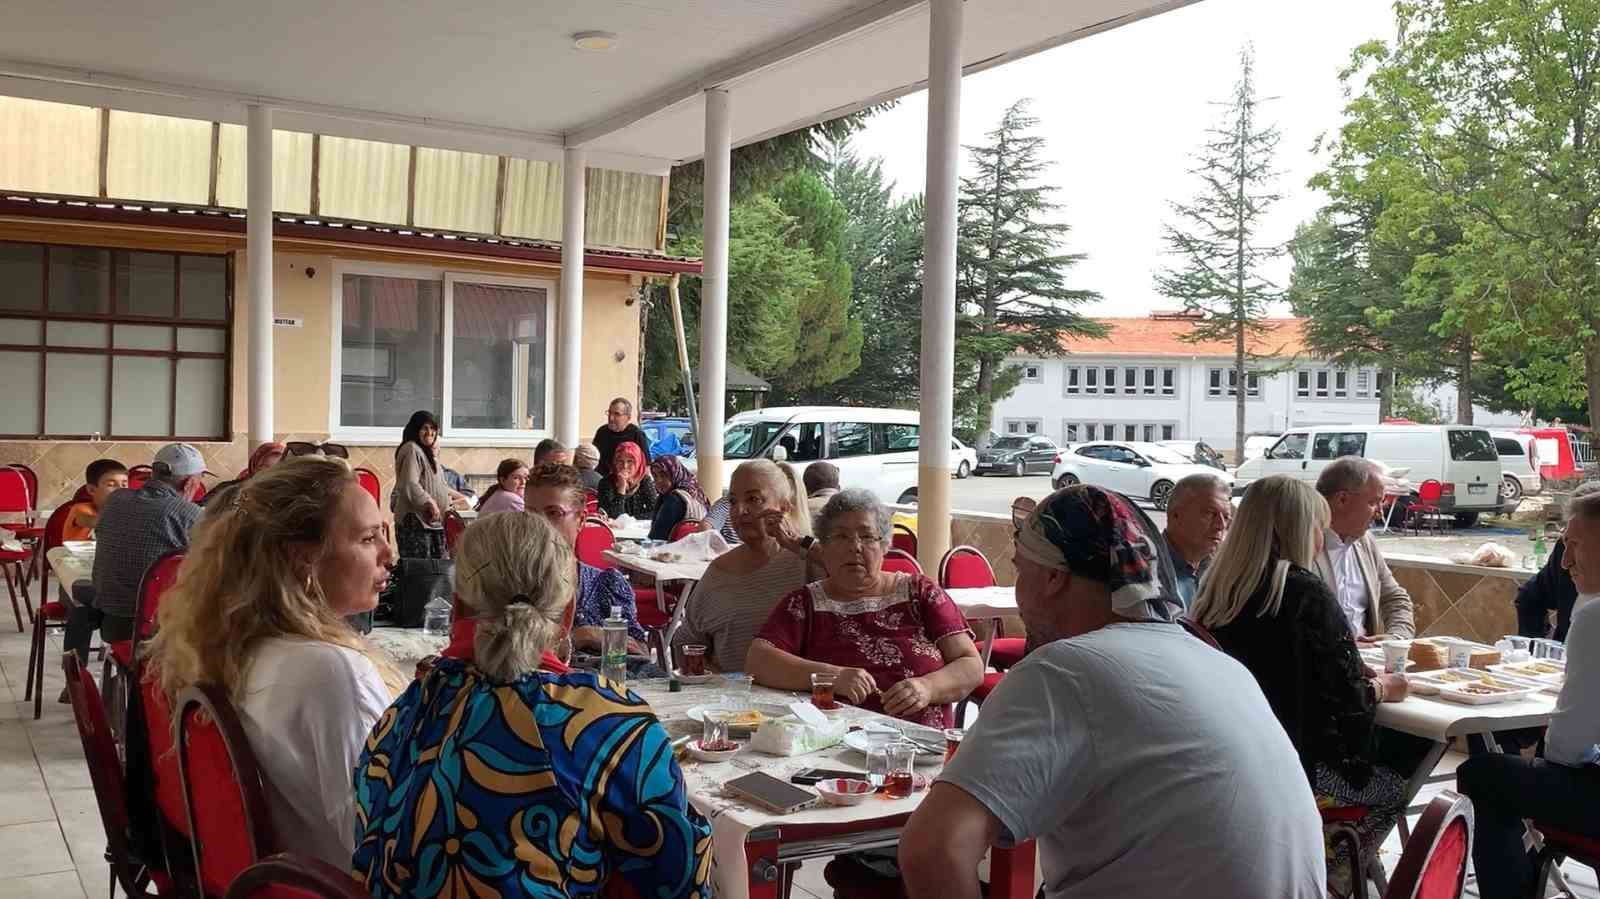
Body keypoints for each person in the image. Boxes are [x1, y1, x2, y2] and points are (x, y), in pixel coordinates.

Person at [898, 485, 1325, 899]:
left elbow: (934, 850)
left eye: (1020, 568)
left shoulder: (1063, 669)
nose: (1019, 590)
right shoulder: (1221, 664)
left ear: (1051, 577)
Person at [352, 511, 712, 898]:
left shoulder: (408, 710)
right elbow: (682, 879)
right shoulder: (605, 722)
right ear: (569, 611)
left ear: (457, 605)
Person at [145, 456, 400, 869]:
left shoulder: (233, 645)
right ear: (304, 558)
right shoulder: (331, 672)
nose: (389, 554)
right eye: (369, 538)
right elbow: (378, 845)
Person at [1192, 475, 1410, 899]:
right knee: (1394, 786)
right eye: (1316, 527)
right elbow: (1349, 705)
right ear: (1296, 528)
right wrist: (1385, 687)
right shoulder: (1303, 592)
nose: (1319, 538)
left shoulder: (1218, 591)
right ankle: (1334, 877)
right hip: (1298, 774)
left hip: (1230, 764)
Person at [1458, 489, 1600, 899]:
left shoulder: (1594, 615)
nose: (1566, 562)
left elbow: (1570, 743)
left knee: (1484, 774)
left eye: (1575, 547)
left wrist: (1545, 772)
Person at [746, 488, 982, 728]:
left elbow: (971, 665)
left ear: (885, 546)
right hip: (835, 744)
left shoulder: (920, 593)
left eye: (867, 536)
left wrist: (927, 687)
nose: (855, 547)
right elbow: (758, 660)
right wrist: (832, 677)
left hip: (922, 745)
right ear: (823, 547)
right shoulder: (805, 604)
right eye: (841, 536)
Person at [67, 444, 205, 670]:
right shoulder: (190, 514)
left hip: (112, 620)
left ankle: (73, 672)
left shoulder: (116, 500)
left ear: (154, 473)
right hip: (157, 627)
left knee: (79, 593)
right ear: (190, 483)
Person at [674, 460, 812, 672]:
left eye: (753, 499)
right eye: (733, 501)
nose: (740, 510)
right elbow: (687, 642)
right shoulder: (718, 571)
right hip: (729, 698)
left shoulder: (808, 564)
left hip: (801, 697)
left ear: (784, 507)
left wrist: (799, 544)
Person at [523, 463, 648, 654]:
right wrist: (580, 636)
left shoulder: (606, 586)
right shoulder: (510, 585)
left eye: (553, 513)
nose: (540, 524)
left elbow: (640, 653)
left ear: (581, 520)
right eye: (531, 514)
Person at [1311, 456, 1415, 641]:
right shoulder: (1301, 543)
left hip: (1368, 660)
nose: (1380, 514)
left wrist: (1396, 637)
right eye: (1373, 502)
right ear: (1342, 499)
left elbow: (1395, 598)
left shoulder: (1365, 542)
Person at [392, 410, 460, 559]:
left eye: (433, 428)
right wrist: (428, 501)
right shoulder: (412, 449)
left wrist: (448, 506)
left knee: (433, 575)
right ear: (415, 429)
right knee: (421, 574)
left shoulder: (426, 453)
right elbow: (410, 484)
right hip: (416, 525)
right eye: (424, 428)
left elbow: (438, 486)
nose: (430, 432)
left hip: (432, 524)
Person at [1161, 472, 1232, 608]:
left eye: (1226, 517)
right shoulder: (1145, 569)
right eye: (1210, 513)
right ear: (1175, 515)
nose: (1221, 525)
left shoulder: (1222, 567)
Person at [201, 441, 285, 510]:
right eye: (264, 467)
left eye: (277, 469)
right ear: (254, 466)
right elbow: (201, 510)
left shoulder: (286, 495)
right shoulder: (228, 489)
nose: (270, 473)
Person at [62, 458, 128, 541]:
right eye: (111, 485)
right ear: (91, 490)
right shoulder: (81, 509)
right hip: (73, 554)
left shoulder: (125, 511)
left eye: (124, 485)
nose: (120, 489)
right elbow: (89, 521)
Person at [649, 454, 708, 541]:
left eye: (663, 475)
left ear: (674, 473)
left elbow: (657, 537)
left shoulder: (674, 499)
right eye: (655, 476)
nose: (658, 481)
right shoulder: (695, 491)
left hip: (677, 550)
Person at [591, 397, 652, 478]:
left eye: (616, 414)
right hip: (602, 481)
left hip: (628, 481)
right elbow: (593, 459)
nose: (611, 418)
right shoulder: (602, 432)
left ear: (628, 417)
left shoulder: (637, 434)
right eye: (609, 413)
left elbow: (646, 465)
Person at [596, 441, 658, 519]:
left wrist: (630, 520)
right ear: (615, 462)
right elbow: (612, 516)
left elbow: (655, 512)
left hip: (639, 529)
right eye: (620, 461)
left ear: (638, 463)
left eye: (630, 461)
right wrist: (621, 488)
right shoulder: (606, 483)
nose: (625, 466)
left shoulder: (645, 481)